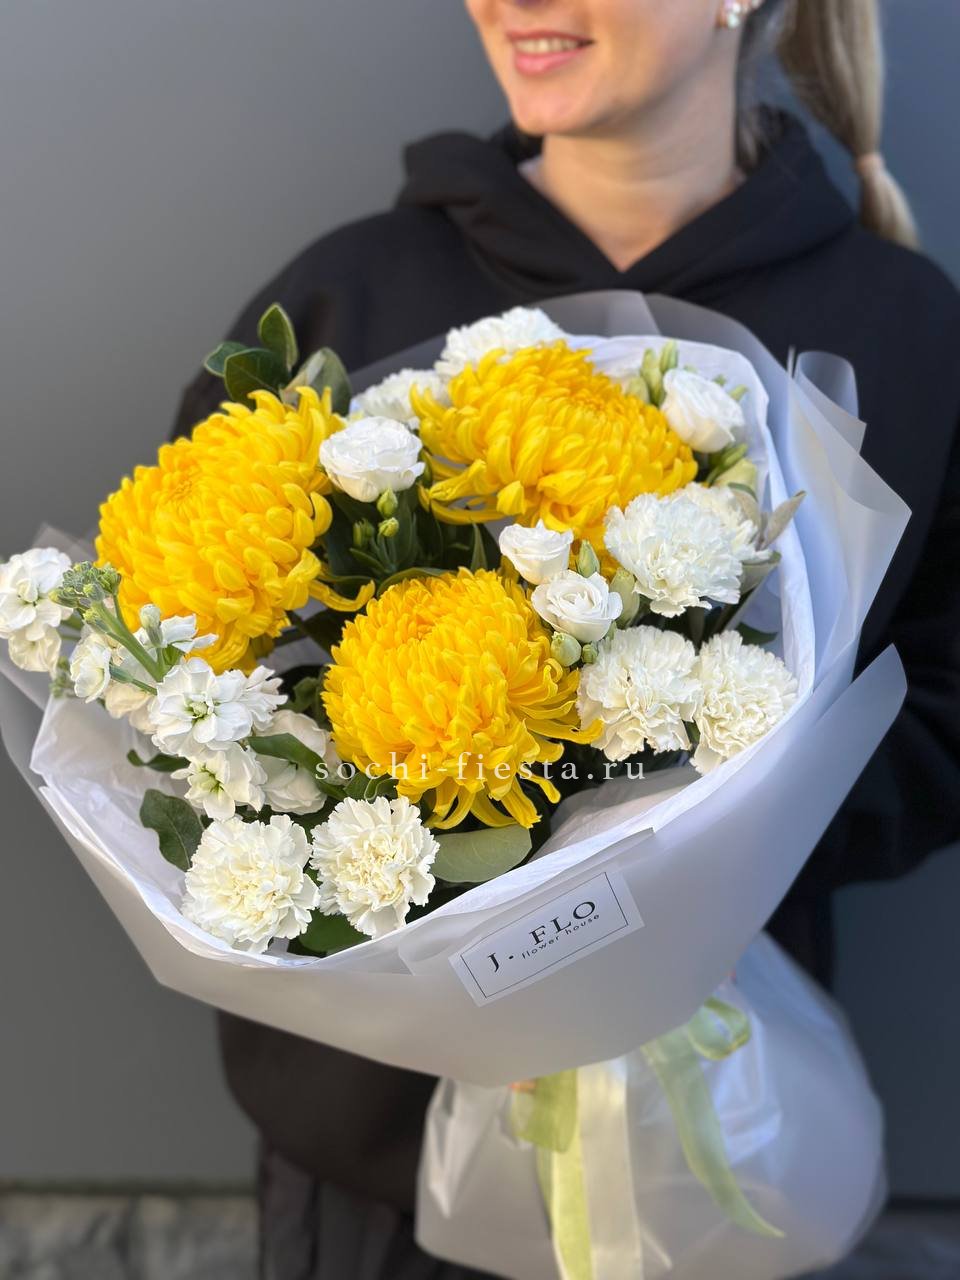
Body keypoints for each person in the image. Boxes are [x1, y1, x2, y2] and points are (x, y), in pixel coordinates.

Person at [172, 2, 960, 1276]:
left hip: (715, 1148)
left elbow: (944, 704)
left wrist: (680, 843)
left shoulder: (900, 327)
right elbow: (189, 691)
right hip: (372, 1169)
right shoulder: (350, 294)